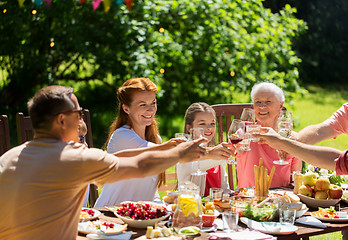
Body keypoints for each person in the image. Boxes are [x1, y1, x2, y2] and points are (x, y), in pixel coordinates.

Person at [0, 85, 206, 239]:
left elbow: (116, 159)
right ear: (62, 120)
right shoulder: (74, 157)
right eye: (78, 114)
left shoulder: (9, 157)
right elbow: (140, 166)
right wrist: (180, 153)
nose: (81, 121)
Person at [94, 78, 184, 207]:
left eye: (153, 103)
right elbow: (162, 152)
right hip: (110, 214)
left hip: (137, 216)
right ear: (126, 109)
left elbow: (151, 189)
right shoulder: (121, 136)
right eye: (143, 105)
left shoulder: (155, 139)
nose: (151, 110)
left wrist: (161, 208)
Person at [235, 82, 302, 188]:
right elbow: (229, 154)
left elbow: (296, 179)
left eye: (268, 102)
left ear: (280, 105)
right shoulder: (244, 135)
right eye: (258, 102)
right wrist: (235, 148)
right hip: (248, 199)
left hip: (281, 199)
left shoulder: (291, 138)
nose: (262, 106)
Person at [176, 102, 233, 196]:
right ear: (189, 128)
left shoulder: (217, 153)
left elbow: (225, 189)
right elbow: (195, 166)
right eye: (202, 124)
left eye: (212, 123)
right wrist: (222, 155)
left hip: (216, 209)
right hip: (191, 207)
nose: (209, 128)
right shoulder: (184, 155)